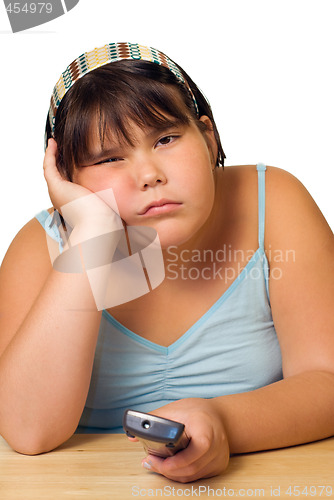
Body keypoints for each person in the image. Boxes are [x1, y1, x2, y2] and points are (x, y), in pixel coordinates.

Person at [0, 42, 333, 484]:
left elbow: (326, 379)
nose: (149, 174)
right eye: (109, 158)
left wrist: (223, 422)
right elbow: (28, 430)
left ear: (208, 138)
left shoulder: (275, 201)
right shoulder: (38, 247)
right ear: (66, 176)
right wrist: (91, 240)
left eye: (166, 139)